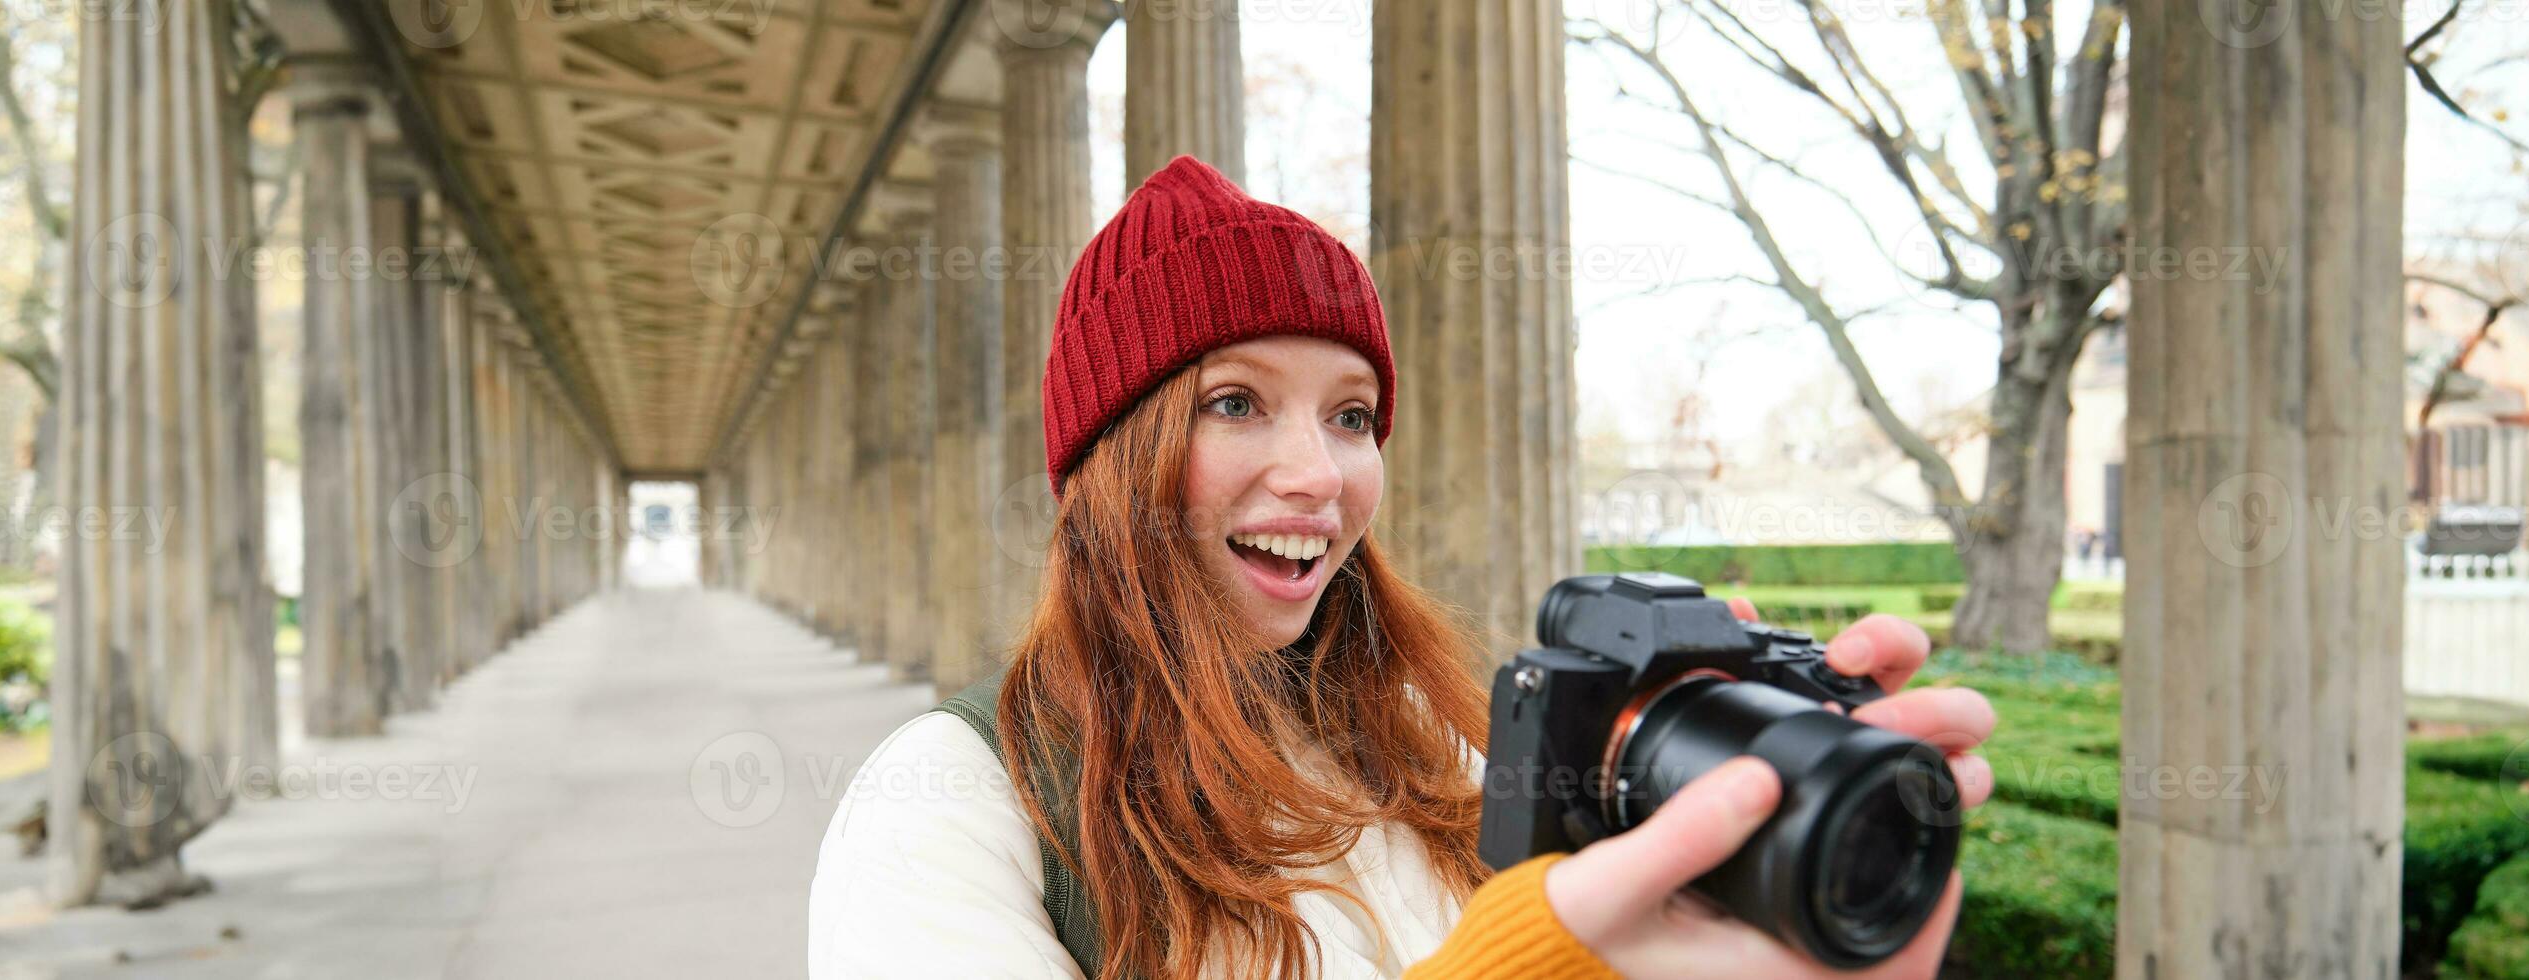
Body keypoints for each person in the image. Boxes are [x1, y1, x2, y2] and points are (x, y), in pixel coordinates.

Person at [807, 156, 1997, 979]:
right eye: (1234, 402)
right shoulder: (953, 801)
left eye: (1351, 415)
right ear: (1106, 461)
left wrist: (1763, 893)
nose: (1320, 475)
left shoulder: (1432, 746)